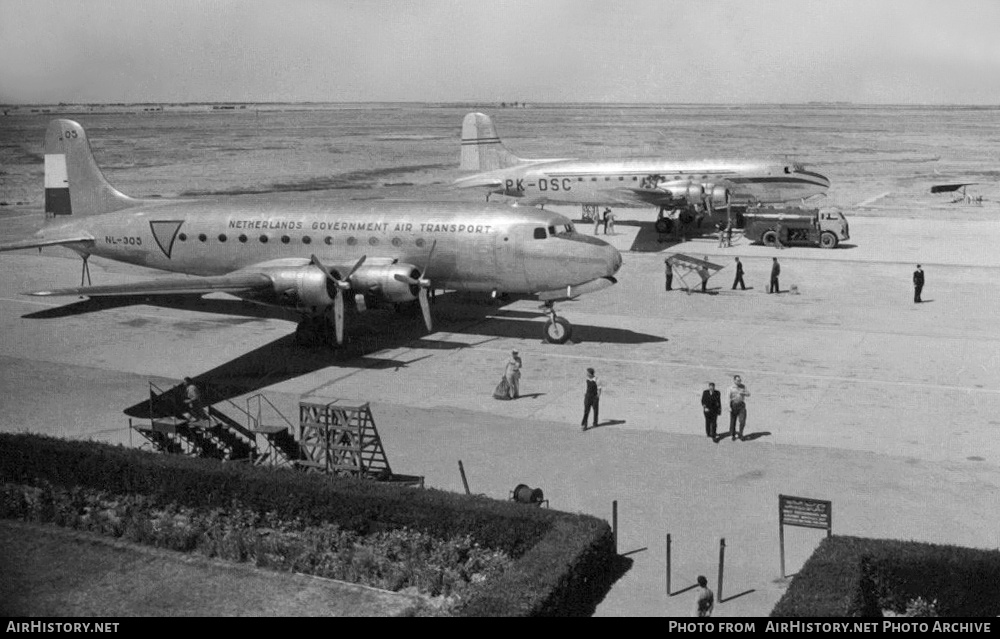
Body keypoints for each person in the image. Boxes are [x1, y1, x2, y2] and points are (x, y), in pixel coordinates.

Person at [728, 375, 750, 441]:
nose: (739, 381)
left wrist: (744, 393)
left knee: (742, 420)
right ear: (734, 380)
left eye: (740, 380)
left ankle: (740, 434)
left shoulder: (743, 386)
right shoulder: (730, 388)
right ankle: (732, 434)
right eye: (738, 380)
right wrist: (728, 407)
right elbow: (728, 398)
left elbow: (749, 394)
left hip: (741, 405)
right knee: (733, 421)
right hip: (733, 405)